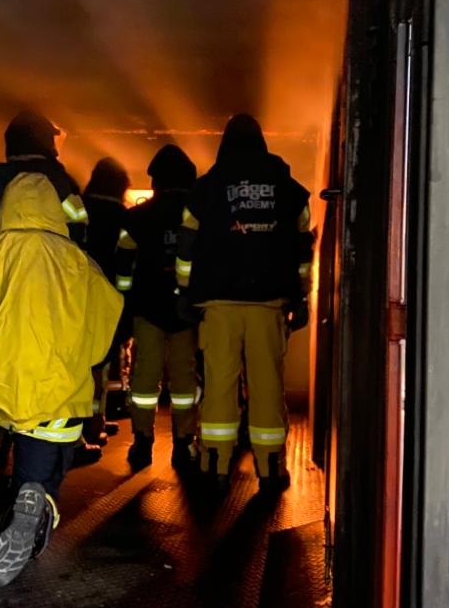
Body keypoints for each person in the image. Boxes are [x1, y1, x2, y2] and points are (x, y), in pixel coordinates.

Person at [0, 172, 123, 587]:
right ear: (55, 214)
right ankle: (36, 500)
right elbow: (102, 335)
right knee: (42, 472)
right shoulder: (83, 266)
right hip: (54, 405)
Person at [176, 114, 312, 493]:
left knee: (219, 383)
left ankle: (215, 464)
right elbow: (303, 249)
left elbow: (186, 245)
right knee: (267, 384)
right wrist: (301, 296)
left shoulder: (205, 189)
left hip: (218, 304)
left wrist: (184, 292)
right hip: (268, 304)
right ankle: (270, 469)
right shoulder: (289, 191)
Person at [115, 145, 199, 472]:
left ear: (155, 181)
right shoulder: (199, 215)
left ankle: (142, 441)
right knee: (184, 379)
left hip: (147, 309)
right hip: (185, 312)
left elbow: (123, 265)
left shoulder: (135, 217)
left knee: (144, 377)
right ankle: (184, 444)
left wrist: (125, 302)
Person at [0, 110, 88, 248]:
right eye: (52, 143)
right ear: (45, 144)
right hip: (42, 260)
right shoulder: (60, 183)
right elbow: (77, 231)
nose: (56, 152)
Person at [82, 158, 131, 438]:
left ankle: (86, 423)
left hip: (76, 296)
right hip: (108, 299)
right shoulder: (122, 217)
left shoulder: (80, 207)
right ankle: (95, 422)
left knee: (79, 362)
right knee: (100, 363)